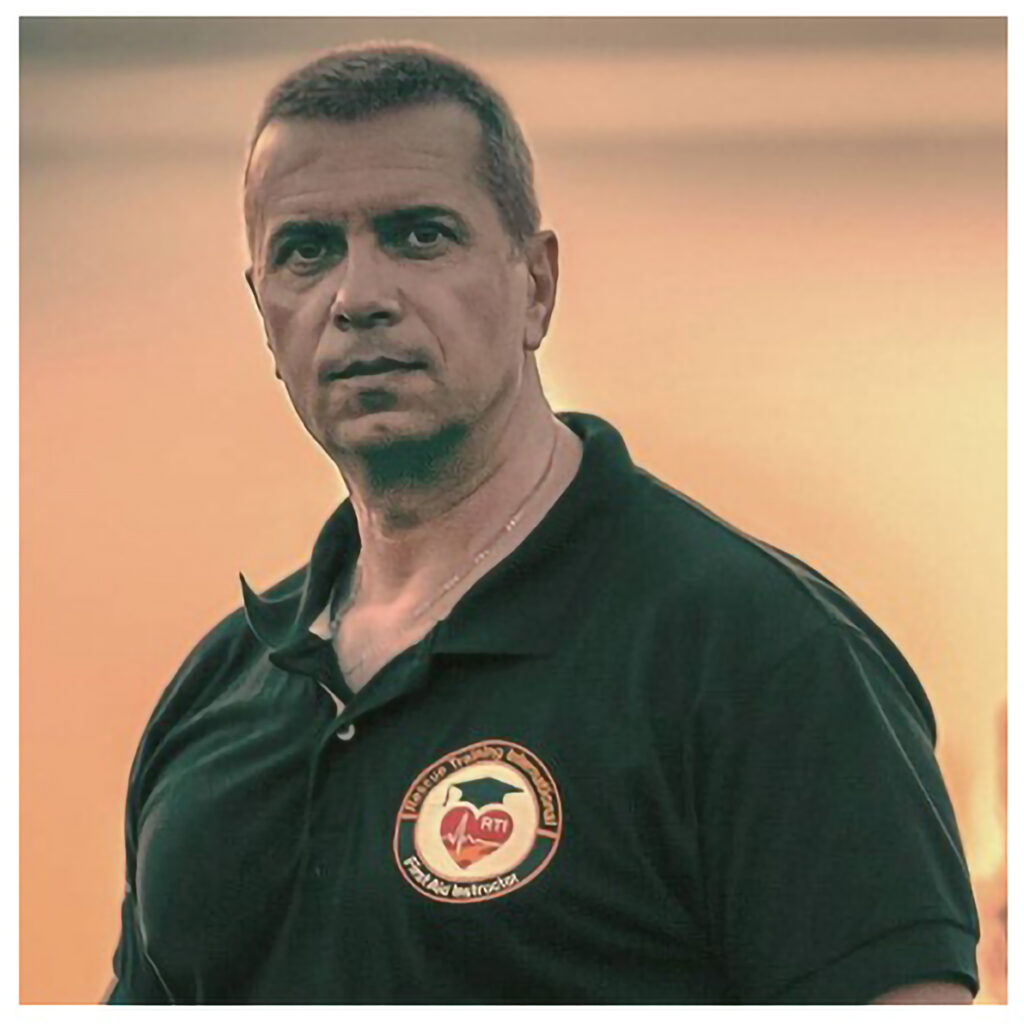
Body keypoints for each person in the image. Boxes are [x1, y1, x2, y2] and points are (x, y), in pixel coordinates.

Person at [106, 43, 980, 1005]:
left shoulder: (761, 656)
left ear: (536, 283)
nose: (358, 298)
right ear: (264, 312)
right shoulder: (217, 691)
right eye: (307, 250)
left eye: (419, 235)